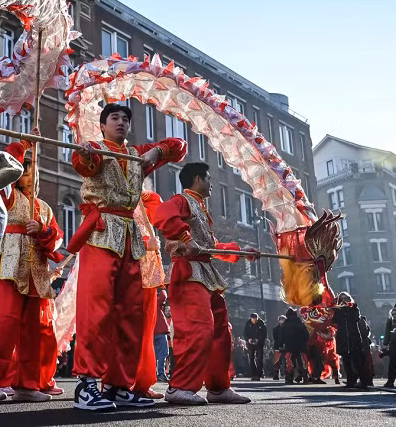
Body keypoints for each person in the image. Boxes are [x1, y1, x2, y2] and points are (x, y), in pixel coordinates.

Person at [67, 103, 186, 411]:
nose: (121, 122)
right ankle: (86, 384)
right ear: (102, 125)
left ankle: (118, 385)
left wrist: (155, 153)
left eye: (125, 119)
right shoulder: (94, 148)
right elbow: (83, 164)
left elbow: (178, 146)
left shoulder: (136, 154)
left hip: (131, 241)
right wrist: (86, 154)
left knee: (130, 314)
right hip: (101, 234)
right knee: (96, 311)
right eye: (114, 118)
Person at [152, 162, 255, 405]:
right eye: (208, 178)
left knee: (221, 331)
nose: (211, 184)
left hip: (206, 274)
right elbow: (162, 215)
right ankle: (179, 386)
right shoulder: (181, 200)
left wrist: (240, 252)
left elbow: (211, 246)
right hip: (188, 273)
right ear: (197, 179)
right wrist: (185, 238)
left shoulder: (199, 207)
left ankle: (218, 387)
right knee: (199, 329)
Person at [0, 137, 65, 403]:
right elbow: (5, 165)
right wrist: (24, 144)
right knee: (3, 324)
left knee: (33, 331)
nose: (30, 175)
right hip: (10, 266)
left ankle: (27, 383)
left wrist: (44, 230)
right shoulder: (7, 195)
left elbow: (57, 238)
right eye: (25, 170)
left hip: (37, 270)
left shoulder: (44, 207)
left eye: (33, 171)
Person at [131, 189, 166, 400]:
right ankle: (126, 382)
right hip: (131, 277)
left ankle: (143, 381)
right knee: (131, 332)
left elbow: (158, 213)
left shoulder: (143, 203)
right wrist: (145, 243)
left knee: (146, 334)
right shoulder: (121, 201)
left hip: (149, 278)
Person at [332, 292, 366, 389]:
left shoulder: (354, 308)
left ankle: (363, 381)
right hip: (343, 338)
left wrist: (350, 308)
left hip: (353, 338)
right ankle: (350, 381)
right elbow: (334, 321)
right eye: (342, 299)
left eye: (346, 298)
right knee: (346, 362)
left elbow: (356, 318)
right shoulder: (339, 310)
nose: (344, 301)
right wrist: (338, 310)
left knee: (357, 361)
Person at [282, 309, 309, 384]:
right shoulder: (300, 323)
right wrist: (304, 342)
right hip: (301, 346)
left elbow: (282, 336)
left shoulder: (285, 324)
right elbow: (306, 335)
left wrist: (281, 344)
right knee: (302, 362)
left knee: (289, 362)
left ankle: (289, 377)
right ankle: (304, 376)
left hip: (289, 346)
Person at [381, 308, 396, 388]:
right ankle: (390, 381)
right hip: (394, 343)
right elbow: (387, 332)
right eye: (393, 314)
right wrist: (385, 344)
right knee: (392, 363)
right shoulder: (390, 321)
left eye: (395, 313)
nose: (394, 316)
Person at [244, 313, 267, 380]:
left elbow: (264, 334)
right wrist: (248, 339)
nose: (254, 321)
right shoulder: (248, 323)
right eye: (253, 319)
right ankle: (253, 374)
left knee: (259, 358)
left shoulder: (261, 323)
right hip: (250, 344)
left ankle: (259, 374)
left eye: (255, 319)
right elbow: (245, 333)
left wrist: (258, 340)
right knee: (251, 358)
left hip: (259, 344)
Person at [272, 315, 287, 380]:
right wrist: (279, 345)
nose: (282, 321)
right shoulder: (275, 329)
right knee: (277, 361)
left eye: (283, 319)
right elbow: (275, 338)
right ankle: (276, 374)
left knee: (286, 361)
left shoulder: (288, 328)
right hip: (277, 347)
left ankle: (287, 374)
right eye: (281, 319)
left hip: (286, 346)